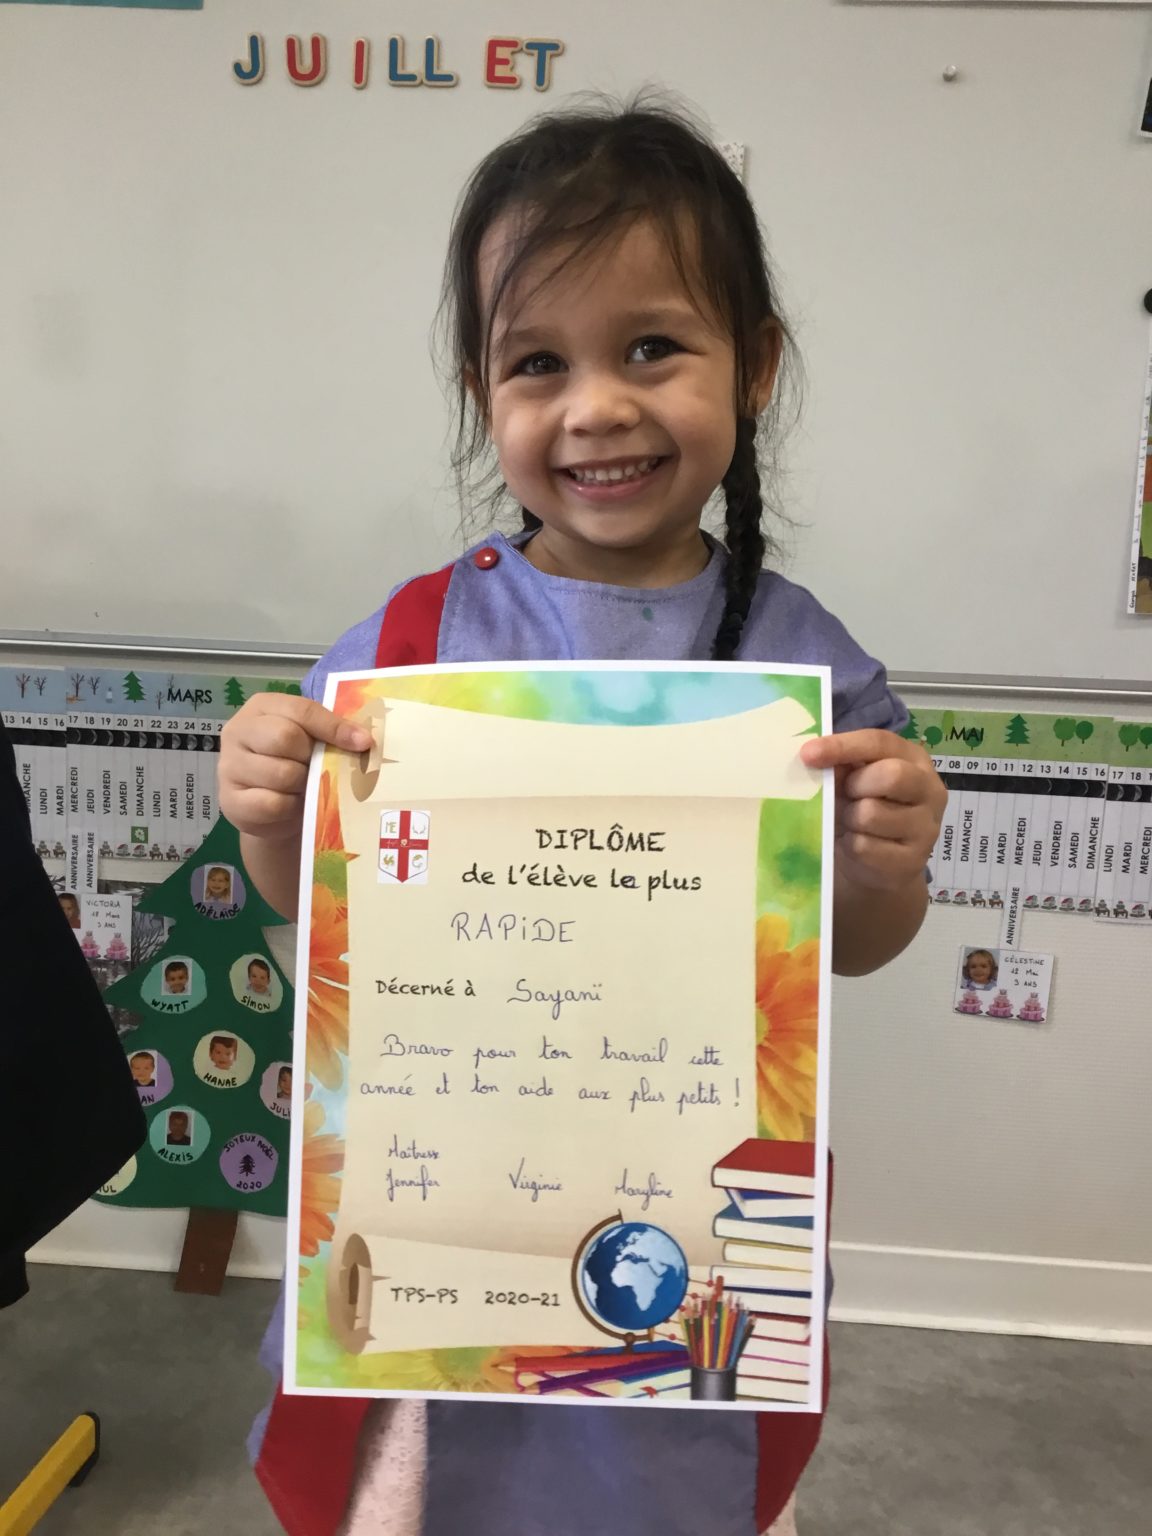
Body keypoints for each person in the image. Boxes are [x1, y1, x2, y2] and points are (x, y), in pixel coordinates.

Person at [219, 100, 945, 1536]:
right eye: (538, 362)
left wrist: (884, 863)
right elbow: (315, 903)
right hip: (440, 1240)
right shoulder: (412, 647)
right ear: (482, 391)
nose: (596, 406)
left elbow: (854, 948)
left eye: (652, 347)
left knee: (668, 1489)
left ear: (756, 367)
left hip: (688, 1247)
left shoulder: (800, 668)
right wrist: (265, 813)